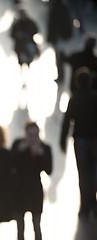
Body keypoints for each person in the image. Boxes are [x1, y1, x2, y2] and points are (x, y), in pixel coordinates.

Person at [60, 67, 97, 220]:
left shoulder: (74, 99)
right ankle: (93, 203)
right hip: (95, 140)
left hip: (80, 141)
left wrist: (62, 141)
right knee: (94, 172)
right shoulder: (95, 98)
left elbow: (67, 120)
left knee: (83, 173)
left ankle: (84, 206)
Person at [11, 121, 52, 240]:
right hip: (19, 189)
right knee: (20, 227)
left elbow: (49, 170)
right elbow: (10, 164)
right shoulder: (18, 144)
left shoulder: (45, 148)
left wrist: (42, 155)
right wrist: (19, 151)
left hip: (35, 190)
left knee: (37, 225)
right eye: (30, 135)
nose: (33, 138)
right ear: (25, 134)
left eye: (35, 135)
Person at [47, 0, 73, 83]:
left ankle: (61, 75)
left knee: (59, 57)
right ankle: (61, 75)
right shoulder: (63, 7)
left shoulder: (55, 7)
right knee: (60, 57)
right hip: (60, 36)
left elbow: (52, 23)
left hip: (59, 37)